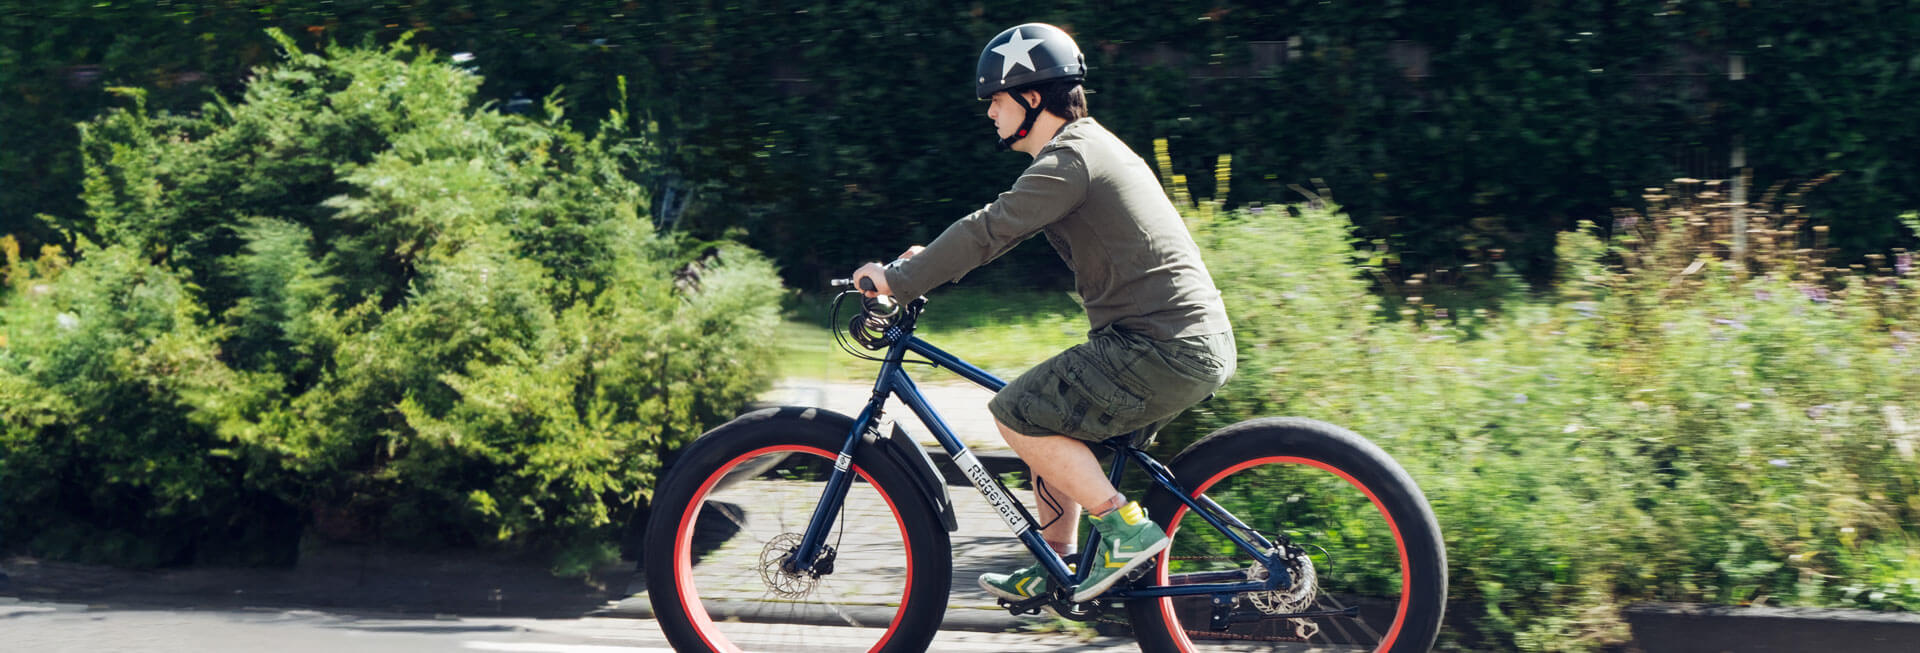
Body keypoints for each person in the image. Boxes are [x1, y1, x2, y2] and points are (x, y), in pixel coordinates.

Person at [850, 22, 1236, 606]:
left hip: (1161, 346)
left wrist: (898, 281)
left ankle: (1123, 527)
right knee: (1048, 416)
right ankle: (1056, 562)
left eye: (996, 101)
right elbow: (999, 234)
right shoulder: (1085, 148)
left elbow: (988, 229)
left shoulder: (1072, 159)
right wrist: (923, 262)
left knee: (1016, 412)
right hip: (1178, 341)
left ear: (1032, 98)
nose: (989, 114)